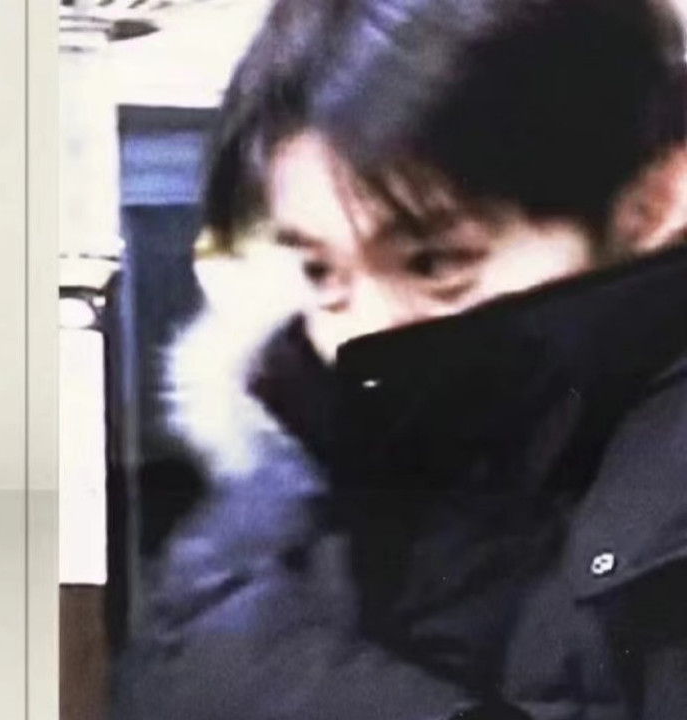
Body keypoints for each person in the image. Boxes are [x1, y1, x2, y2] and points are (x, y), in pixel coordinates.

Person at [112, 0, 687, 718]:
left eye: (434, 263)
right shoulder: (294, 437)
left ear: (652, 201)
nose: (356, 335)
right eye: (321, 270)